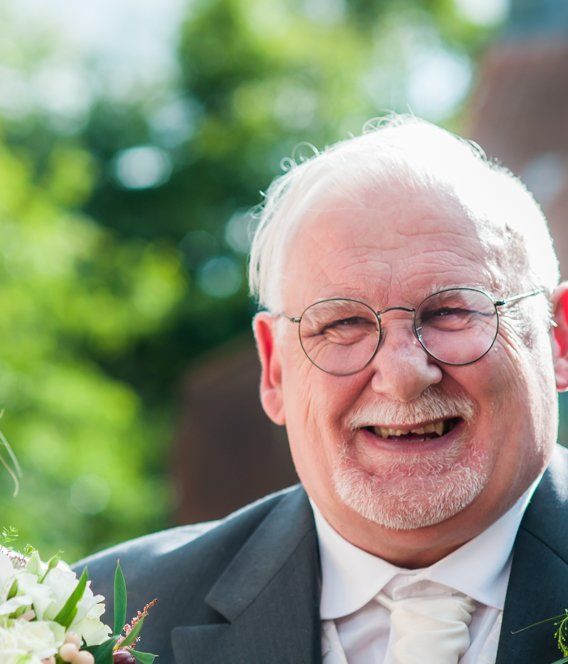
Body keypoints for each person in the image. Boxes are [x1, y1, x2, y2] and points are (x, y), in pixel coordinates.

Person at [79, 116, 568, 663]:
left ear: (558, 338)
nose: (404, 375)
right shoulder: (90, 624)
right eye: (343, 324)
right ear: (275, 369)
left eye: (452, 311)